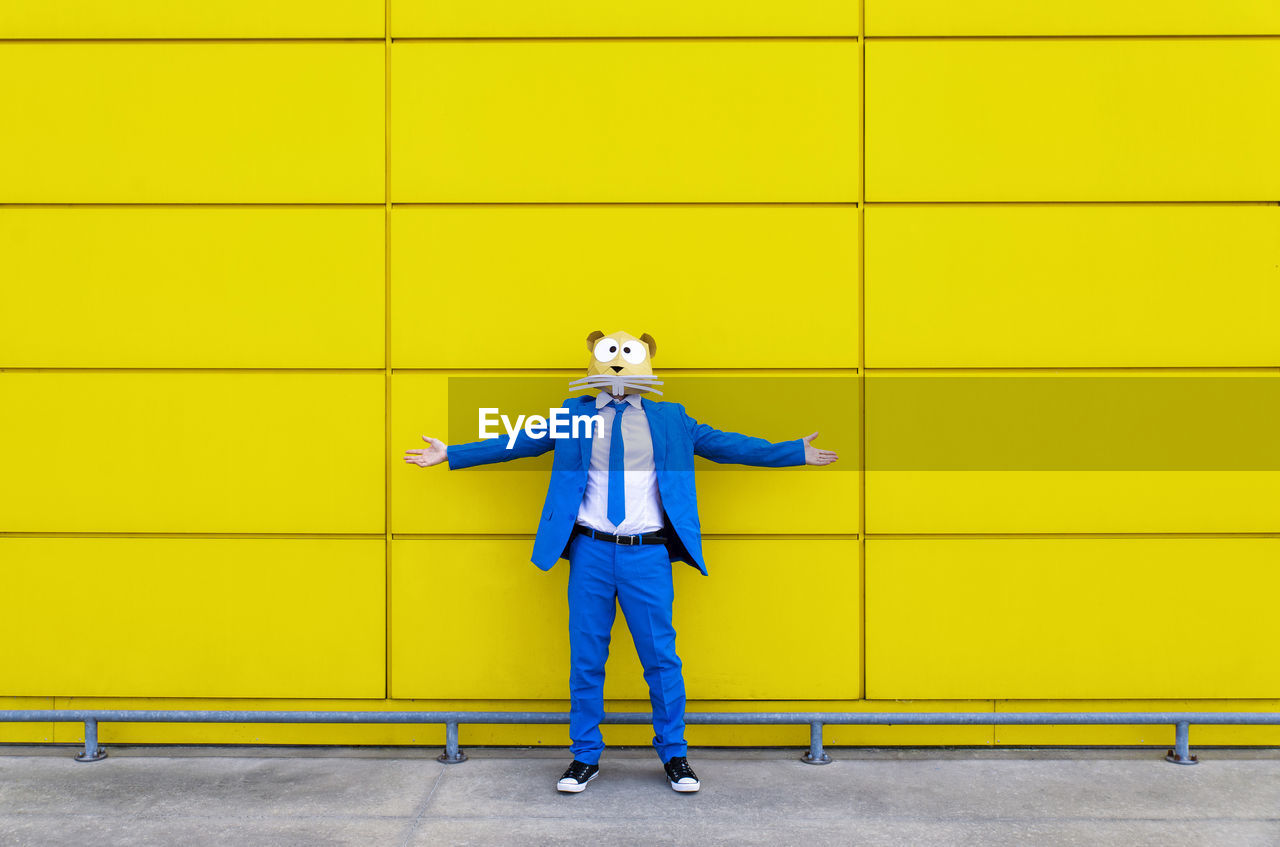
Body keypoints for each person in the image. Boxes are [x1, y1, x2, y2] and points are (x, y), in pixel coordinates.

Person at [404, 330, 838, 793]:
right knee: (586, 659)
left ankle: (675, 755)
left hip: (647, 554)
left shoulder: (671, 419)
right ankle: (584, 757)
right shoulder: (575, 415)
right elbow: (519, 441)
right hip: (590, 550)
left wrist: (793, 452)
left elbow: (728, 445)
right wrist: (452, 453)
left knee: (661, 659)